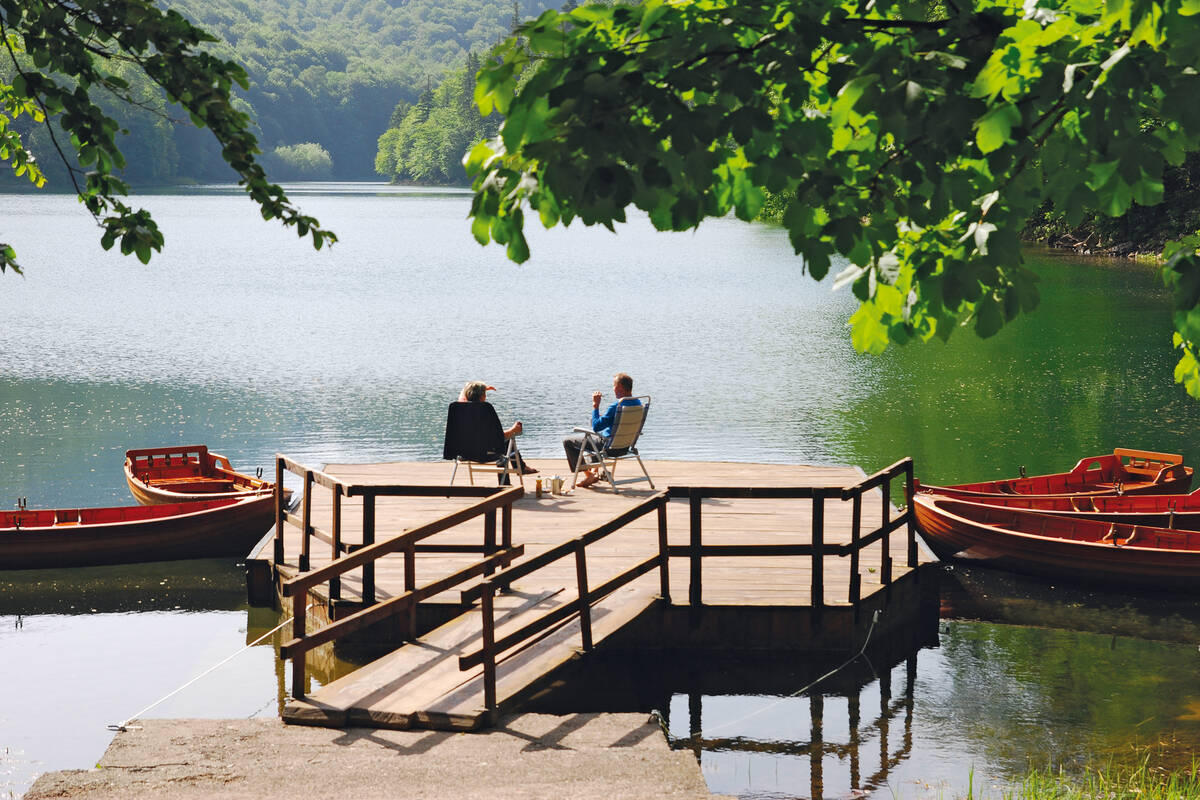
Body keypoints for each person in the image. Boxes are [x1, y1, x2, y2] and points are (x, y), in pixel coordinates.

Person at [562, 372, 642, 488]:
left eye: (614, 386)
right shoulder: (637, 403)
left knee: (568, 442)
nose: (613, 389)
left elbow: (596, 426)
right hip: (625, 446)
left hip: (609, 447)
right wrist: (603, 418)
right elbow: (615, 422)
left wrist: (595, 405)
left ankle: (589, 474)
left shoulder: (616, 406)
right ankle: (595, 472)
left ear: (620, 387)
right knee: (594, 441)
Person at [459, 381, 537, 475]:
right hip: (484, 455)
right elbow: (498, 438)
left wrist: (479, 389)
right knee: (507, 442)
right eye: (484, 393)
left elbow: (465, 390)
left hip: (464, 454)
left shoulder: (459, 410)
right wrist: (513, 430)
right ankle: (508, 479)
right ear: (482, 396)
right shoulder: (485, 411)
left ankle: (521, 468)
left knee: (504, 442)